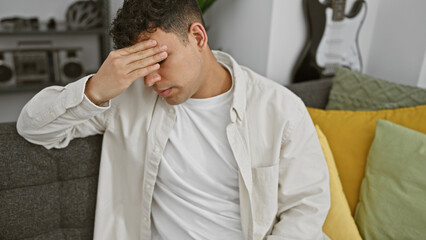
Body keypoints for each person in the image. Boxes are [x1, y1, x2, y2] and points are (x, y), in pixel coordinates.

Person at [17, 0, 330, 239]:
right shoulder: (127, 99)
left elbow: (306, 206)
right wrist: (96, 88)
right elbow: (33, 127)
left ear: (197, 36)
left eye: (161, 60)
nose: (152, 79)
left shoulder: (278, 107)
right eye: (142, 64)